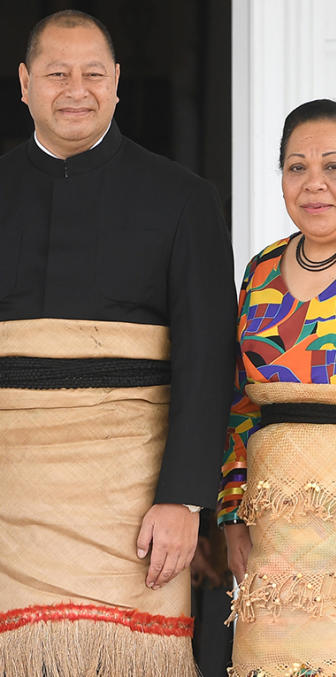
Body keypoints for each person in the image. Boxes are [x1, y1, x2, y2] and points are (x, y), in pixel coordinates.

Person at [0, 10, 234, 674]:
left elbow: (208, 356)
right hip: (10, 503)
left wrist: (186, 497)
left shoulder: (185, 199)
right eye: (57, 74)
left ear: (118, 82)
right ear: (24, 84)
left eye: (93, 74)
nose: (77, 89)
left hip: (137, 502)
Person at [217, 99, 336, 676]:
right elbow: (240, 402)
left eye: (334, 166)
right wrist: (232, 518)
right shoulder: (261, 270)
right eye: (297, 167)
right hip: (277, 539)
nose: (314, 184)